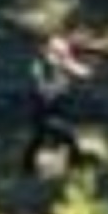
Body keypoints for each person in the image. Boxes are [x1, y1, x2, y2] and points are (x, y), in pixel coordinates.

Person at [18, 33, 90, 176]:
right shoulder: (41, 66)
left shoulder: (60, 64)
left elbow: (83, 72)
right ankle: (76, 162)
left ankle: (28, 166)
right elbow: (41, 87)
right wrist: (56, 87)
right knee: (66, 135)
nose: (62, 55)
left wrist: (71, 68)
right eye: (59, 53)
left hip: (54, 107)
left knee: (39, 137)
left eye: (63, 53)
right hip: (43, 108)